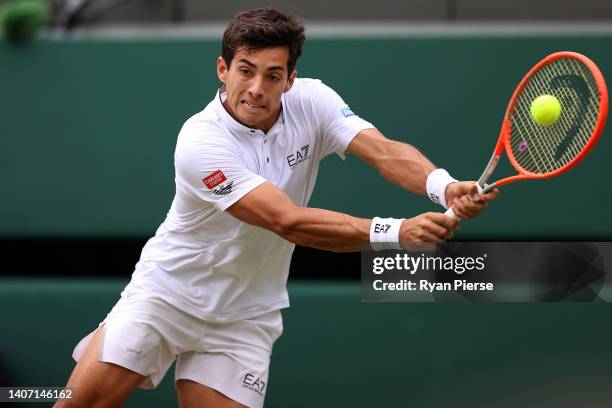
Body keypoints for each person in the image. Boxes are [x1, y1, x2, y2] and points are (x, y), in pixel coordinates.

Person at [56, 7, 498, 408]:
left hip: (246, 313)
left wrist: (444, 188)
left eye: (272, 76)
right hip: (167, 295)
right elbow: (286, 221)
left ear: (290, 79)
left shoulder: (313, 100)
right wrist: (397, 231)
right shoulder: (200, 141)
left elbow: (383, 152)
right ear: (222, 70)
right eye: (245, 71)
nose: (256, 88)